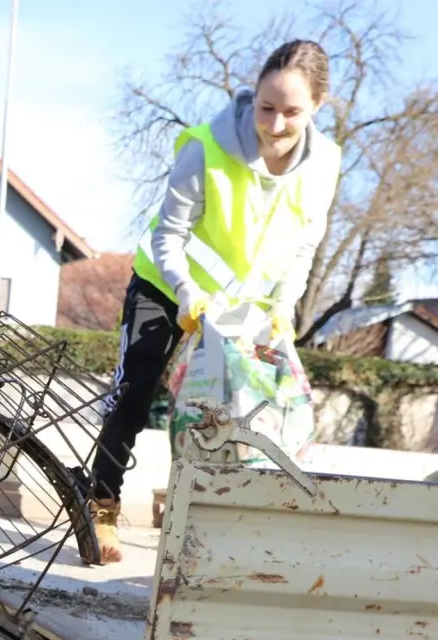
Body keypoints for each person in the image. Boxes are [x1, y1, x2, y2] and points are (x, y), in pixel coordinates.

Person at [89, 39, 343, 563]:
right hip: (167, 287)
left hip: (241, 308)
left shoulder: (325, 164)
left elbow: (305, 244)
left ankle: (201, 527)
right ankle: (100, 508)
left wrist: (282, 308)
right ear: (255, 95)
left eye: (291, 112)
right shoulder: (206, 146)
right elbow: (169, 236)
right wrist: (186, 292)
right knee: (133, 399)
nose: (274, 125)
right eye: (267, 108)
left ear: (318, 106)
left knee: (231, 419)